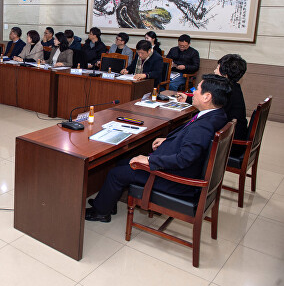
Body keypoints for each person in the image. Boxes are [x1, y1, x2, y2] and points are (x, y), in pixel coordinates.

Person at [85, 74, 230, 222]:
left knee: (116, 172)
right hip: (186, 170)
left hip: (177, 180)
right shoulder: (218, 115)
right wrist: (169, 140)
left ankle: (101, 212)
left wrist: (149, 160)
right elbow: (191, 142)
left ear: (207, 97)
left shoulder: (204, 126)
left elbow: (185, 159)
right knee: (123, 162)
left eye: (197, 89)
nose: (193, 92)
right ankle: (107, 203)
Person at [178, 54, 248, 156]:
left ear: (225, 74)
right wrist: (188, 99)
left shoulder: (227, 92)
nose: (215, 71)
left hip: (229, 144)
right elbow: (212, 103)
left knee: (187, 136)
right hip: (231, 136)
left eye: (217, 68)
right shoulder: (234, 88)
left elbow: (211, 108)